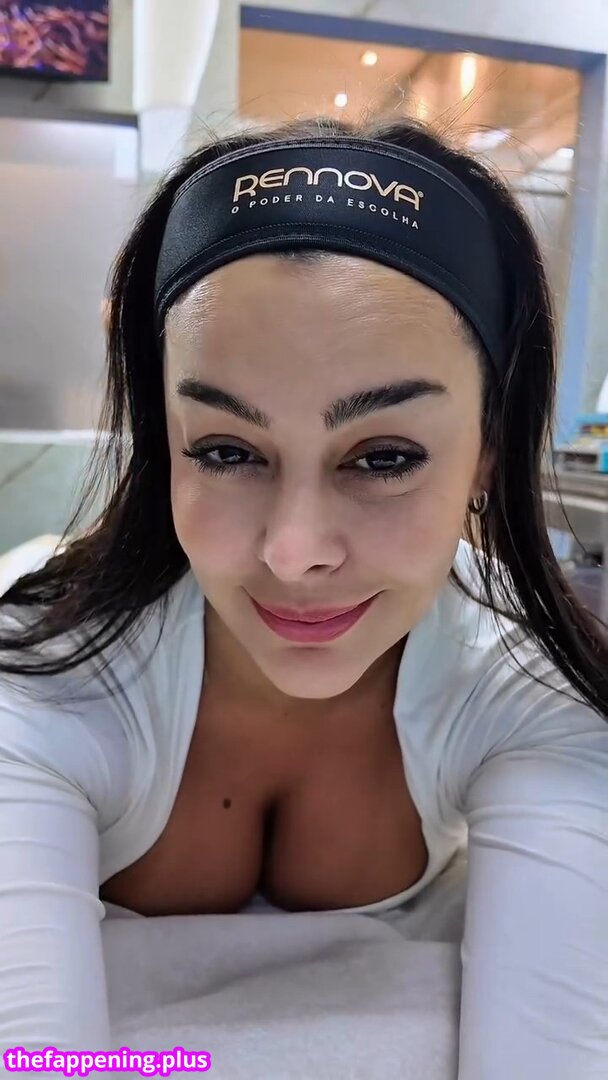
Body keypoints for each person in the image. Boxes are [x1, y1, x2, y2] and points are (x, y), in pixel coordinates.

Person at [0, 114, 607, 1078]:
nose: (293, 553)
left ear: (488, 450)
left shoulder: (526, 685)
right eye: (226, 451)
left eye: (385, 457)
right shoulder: (46, 686)